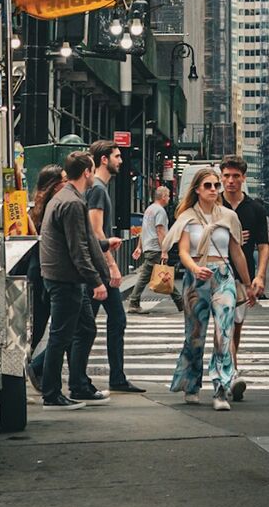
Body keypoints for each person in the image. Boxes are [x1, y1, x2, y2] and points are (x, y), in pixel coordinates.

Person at [162, 166, 255, 411]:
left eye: (217, 185)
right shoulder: (187, 217)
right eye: (208, 186)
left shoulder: (228, 216)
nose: (214, 189)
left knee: (224, 334)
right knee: (195, 336)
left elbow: (236, 252)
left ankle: (221, 389)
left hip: (223, 276)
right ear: (197, 189)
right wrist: (194, 268)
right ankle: (191, 385)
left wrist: (247, 285)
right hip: (196, 279)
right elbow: (182, 252)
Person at [39, 152, 110, 409]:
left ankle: (79, 385)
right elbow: (77, 247)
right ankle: (51, 393)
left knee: (85, 329)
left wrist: (102, 247)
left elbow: (83, 242)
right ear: (88, 172)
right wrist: (96, 281)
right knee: (60, 337)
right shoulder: (71, 202)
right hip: (65, 280)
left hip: (64, 278)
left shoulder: (65, 198)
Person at [87, 140, 145, 393]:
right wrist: (111, 265)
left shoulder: (98, 188)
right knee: (83, 324)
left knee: (113, 320)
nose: (121, 161)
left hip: (96, 264)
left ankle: (118, 377)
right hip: (98, 266)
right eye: (117, 156)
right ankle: (40, 366)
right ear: (104, 160)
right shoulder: (98, 189)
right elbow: (95, 229)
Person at [219, 155, 269, 402]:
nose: (231, 181)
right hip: (216, 274)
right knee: (225, 324)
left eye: (235, 177)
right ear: (221, 177)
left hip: (243, 275)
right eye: (226, 176)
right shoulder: (213, 203)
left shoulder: (255, 209)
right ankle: (231, 374)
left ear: (243, 178)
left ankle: (230, 369)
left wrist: (259, 276)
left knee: (235, 326)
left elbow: (264, 246)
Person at [25, 164, 65, 392]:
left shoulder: (36, 208)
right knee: (45, 328)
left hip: (39, 271)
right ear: (54, 184)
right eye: (64, 179)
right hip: (44, 272)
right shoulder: (52, 207)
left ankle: (31, 368)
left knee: (39, 328)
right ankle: (31, 368)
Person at [128, 186, 183, 313]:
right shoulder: (160, 211)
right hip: (156, 248)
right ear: (163, 197)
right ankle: (180, 302)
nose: (169, 198)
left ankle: (134, 302)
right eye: (168, 196)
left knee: (150, 276)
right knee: (163, 275)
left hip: (149, 247)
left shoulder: (149, 210)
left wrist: (139, 247)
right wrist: (164, 251)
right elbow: (160, 231)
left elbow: (144, 230)